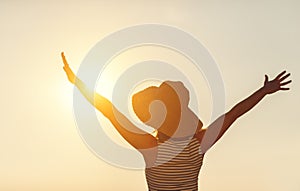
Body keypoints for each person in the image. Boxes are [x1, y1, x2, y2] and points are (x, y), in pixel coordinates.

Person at [61, 52, 291, 191]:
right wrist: (264, 91)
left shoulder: (150, 148)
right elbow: (234, 114)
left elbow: (109, 111)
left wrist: (77, 82)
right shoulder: (197, 145)